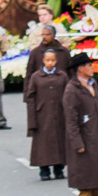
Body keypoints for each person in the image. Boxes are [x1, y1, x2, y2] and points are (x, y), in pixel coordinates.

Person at [61, 51, 98, 196]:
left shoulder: (92, 84)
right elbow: (70, 119)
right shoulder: (72, 90)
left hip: (96, 132)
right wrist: (77, 142)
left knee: (97, 167)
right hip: (83, 135)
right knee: (83, 169)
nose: (92, 68)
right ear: (80, 69)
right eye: (89, 65)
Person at [22, 40, 69, 184]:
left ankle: (59, 168)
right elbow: (31, 97)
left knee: (60, 140)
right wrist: (32, 118)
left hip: (59, 114)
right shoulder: (36, 77)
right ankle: (44, 170)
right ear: (43, 61)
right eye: (47, 60)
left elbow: (68, 95)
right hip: (42, 114)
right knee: (43, 143)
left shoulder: (62, 76)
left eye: (52, 60)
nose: (50, 63)